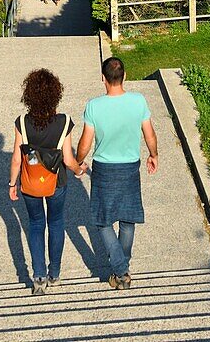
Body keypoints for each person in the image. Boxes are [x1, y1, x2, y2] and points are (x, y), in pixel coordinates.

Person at [76, 56, 158, 290]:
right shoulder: (138, 101)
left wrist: (79, 162)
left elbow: (85, 142)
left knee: (102, 220)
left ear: (103, 78)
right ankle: (123, 267)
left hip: (103, 168)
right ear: (125, 76)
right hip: (130, 166)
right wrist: (154, 154)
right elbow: (149, 133)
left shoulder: (94, 106)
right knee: (127, 219)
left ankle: (120, 270)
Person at [9, 69, 87, 295]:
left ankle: (39, 276)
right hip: (57, 182)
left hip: (30, 182)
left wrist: (12, 184)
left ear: (29, 95)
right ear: (56, 94)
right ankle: (54, 274)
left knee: (35, 225)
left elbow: (16, 159)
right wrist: (79, 170)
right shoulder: (64, 122)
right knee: (56, 224)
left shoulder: (22, 122)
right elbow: (69, 159)